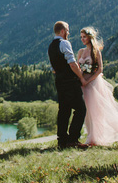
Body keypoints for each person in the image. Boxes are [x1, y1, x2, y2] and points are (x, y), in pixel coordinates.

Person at [77, 26, 118, 146]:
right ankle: (91, 137)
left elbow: (99, 70)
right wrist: (81, 79)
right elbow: (78, 68)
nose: (82, 39)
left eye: (84, 37)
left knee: (97, 111)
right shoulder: (81, 52)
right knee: (87, 112)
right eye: (81, 37)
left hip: (93, 84)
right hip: (83, 84)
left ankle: (98, 138)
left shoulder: (96, 52)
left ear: (90, 37)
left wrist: (87, 81)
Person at [48, 21, 88, 149]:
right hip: (70, 82)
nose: (69, 33)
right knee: (81, 109)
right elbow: (72, 63)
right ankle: (73, 139)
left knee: (64, 111)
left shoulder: (51, 46)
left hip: (59, 82)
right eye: (68, 30)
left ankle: (62, 141)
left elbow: (54, 68)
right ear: (63, 31)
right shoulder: (64, 43)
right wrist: (81, 76)